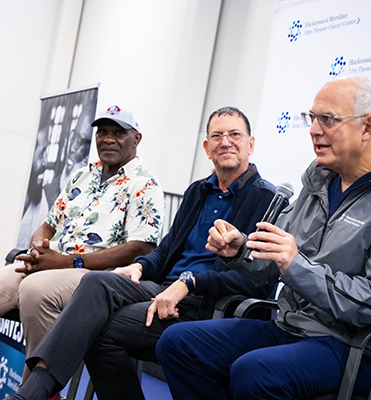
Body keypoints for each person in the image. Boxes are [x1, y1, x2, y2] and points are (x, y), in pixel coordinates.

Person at [3, 106, 278, 400]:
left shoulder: (266, 199)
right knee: (95, 283)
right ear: (207, 148)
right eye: (217, 136)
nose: (225, 142)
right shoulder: (197, 191)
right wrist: (140, 268)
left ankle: (32, 393)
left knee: (95, 325)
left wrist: (188, 282)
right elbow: (165, 250)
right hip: (160, 287)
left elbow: (255, 279)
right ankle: (35, 392)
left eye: (235, 135)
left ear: (251, 144)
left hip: (203, 302)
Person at [156, 75, 371, 400]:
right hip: (290, 327)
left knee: (255, 373)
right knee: (177, 343)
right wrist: (241, 250)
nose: (314, 129)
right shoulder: (318, 182)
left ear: (368, 127)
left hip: (356, 344)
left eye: (327, 119)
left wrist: (295, 265)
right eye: (311, 118)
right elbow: (271, 262)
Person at [0, 104, 164, 384]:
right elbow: (47, 225)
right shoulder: (81, 175)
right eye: (102, 132)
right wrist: (39, 246)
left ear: (136, 139)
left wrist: (67, 262)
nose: (108, 139)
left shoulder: (145, 185)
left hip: (96, 276)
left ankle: (38, 389)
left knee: (35, 291)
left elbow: (142, 248)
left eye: (118, 133)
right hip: (56, 263)